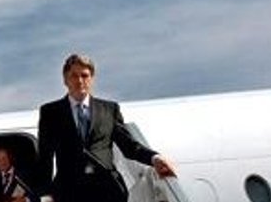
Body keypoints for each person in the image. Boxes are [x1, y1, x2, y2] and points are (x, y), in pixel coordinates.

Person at [37, 54, 177, 202]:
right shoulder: (50, 112)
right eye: (74, 76)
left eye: (84, 75)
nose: (80, 81)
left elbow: (128, 145)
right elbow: (45, 157)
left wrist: (154, 158)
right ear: (65, 80)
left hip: (108, 190)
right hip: (68, 192)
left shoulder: (109, 109)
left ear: (92, 79)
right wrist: (45, 195)